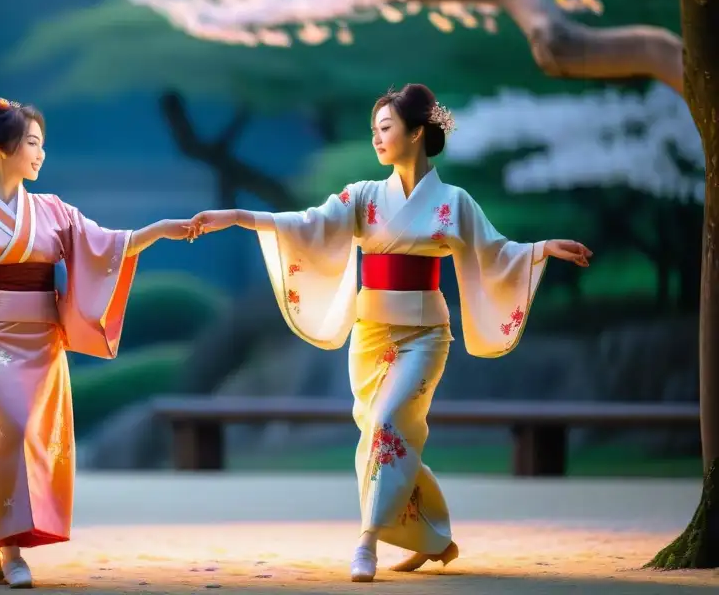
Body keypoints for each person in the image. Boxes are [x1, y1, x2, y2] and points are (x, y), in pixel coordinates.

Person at [187, 83, 592, 581]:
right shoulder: (362, 196)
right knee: (382, 433)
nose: (377, 139)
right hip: (371, 334)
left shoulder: (454, 201)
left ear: (417, 132)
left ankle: (367, 541)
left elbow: (495, 250)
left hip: (425, 335)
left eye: (386, 128)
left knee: (387, 425)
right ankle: (431, 535)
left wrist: (541, 248)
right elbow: (308, 225)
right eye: (374, 130)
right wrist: (236, 217)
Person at [0, 97, 194, 589]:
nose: (40, 154)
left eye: (42, 145)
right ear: (1, 146)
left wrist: (161, 231)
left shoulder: (54, 210)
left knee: (32, 441)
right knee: (12, 431)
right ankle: (11, 552)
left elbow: (108, 245)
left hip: (43, 342)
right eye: (33, 143)